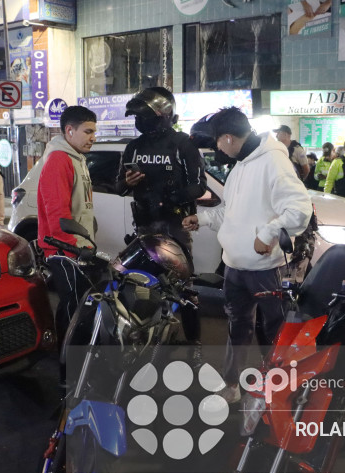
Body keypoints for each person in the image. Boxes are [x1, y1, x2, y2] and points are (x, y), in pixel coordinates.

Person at [182, 107, 312, 403]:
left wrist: (267, 234)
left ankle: (281, 392)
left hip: (265, 269)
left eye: (217, 141)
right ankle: (232, 386)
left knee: (274, 331)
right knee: (236, 327)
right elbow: (231, 211)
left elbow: (300, 210)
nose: (217, 147)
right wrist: (202, 220)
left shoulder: (274, 162)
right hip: (234, 266)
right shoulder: (240, 166)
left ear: (229, 137)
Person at [116, 87, 207, 367]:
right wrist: (128, 183)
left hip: (175, 228)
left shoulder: (183, 144)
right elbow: (119, 185)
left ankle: (193, 344)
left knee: (184, 287)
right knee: (141, 286)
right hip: (144, 228)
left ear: (164, 115)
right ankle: (146, 340)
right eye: (137, 117)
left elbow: (199, 186)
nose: (139, 122)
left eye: (145, 116)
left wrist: (173, 193)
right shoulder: (133, 147)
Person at [37, 106, 97, 353]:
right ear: (69, 131)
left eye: (94, 131)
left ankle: (66, 357)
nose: (93, 137)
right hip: (64, 251)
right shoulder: (59, 160)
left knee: (73, 304)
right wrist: (73, 247)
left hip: (76, 247)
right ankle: (69, 370)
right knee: (75, 308)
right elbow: (57, 215)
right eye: (88, 131)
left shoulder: (76, 158)